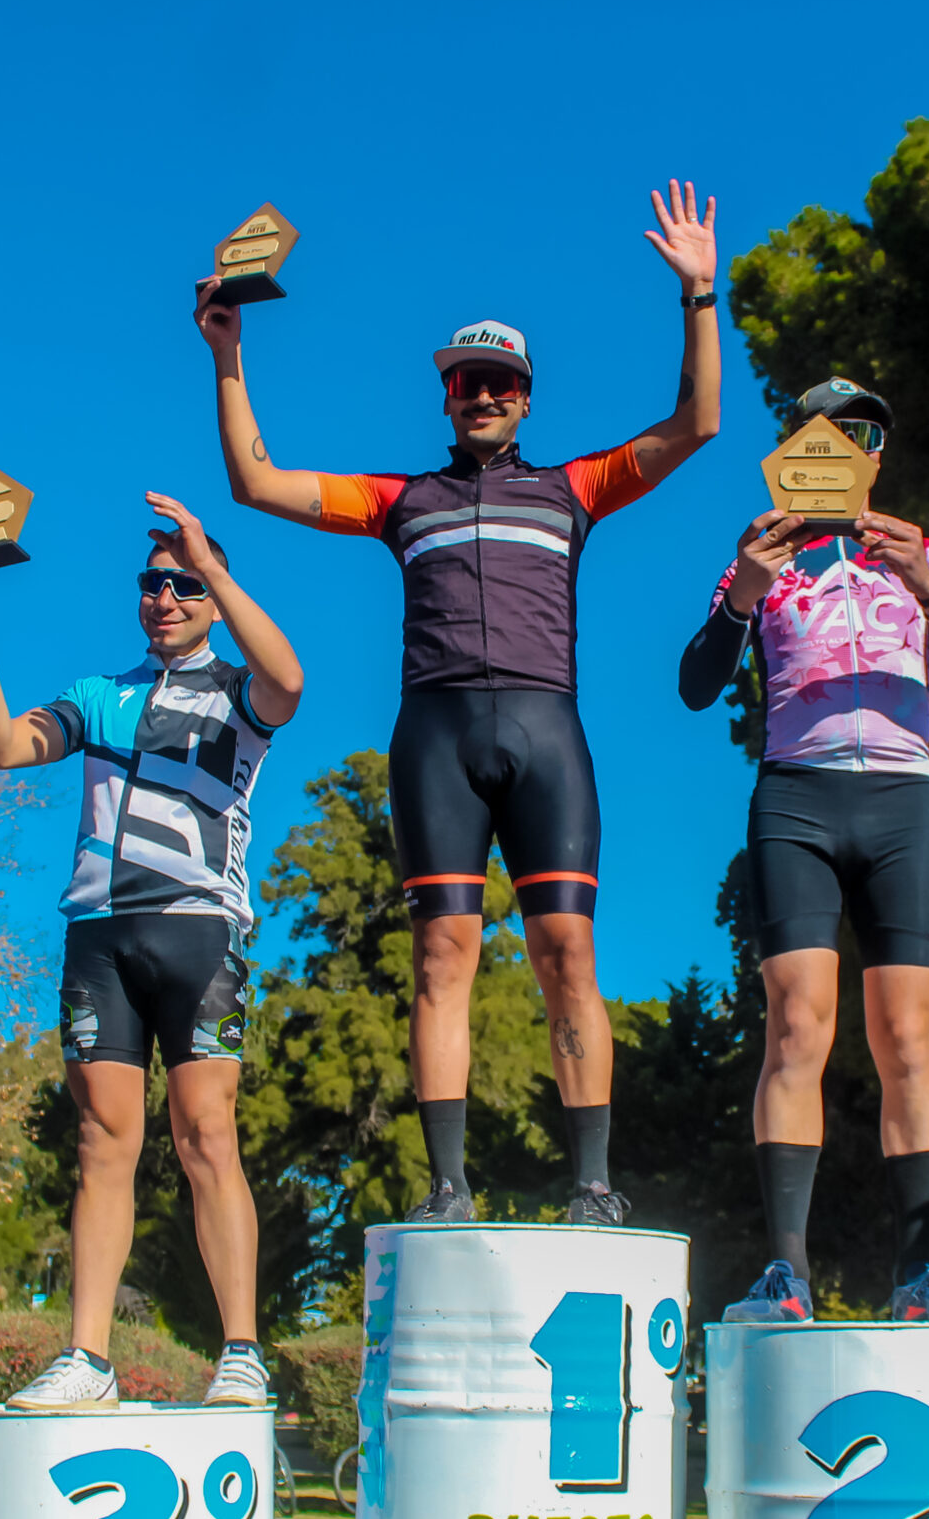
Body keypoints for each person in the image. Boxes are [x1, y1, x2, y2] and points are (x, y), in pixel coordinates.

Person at [195, 180, 722, 1223]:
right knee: (443, 952)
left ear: (526, 399)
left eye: (499, 383)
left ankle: (592, 1184)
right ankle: (448, 1184)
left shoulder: (574, 488)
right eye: (465, 382)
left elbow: (697, 423)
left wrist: (699, 295)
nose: (481, 396)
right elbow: (256, 482)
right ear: (444, 397)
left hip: (546, 731)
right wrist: (227, 351)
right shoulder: (402, 500)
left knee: (567, 950)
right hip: (434, 736)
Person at [0, 495, 301, 1411]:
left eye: (185, 584)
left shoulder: (238, 692)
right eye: (152, 583)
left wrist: (213, 566)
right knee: (103, 1140)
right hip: (98, 934)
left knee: (206, 1133)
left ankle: (241, 1352)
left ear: (212, 597)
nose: (165, 597)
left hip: (198, 927)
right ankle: (87, 1357)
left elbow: (290, 679)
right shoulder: (100, 694)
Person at [678, 378, 929, 1324]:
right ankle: (786, 1273)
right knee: (796, 1026)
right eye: (827, 430)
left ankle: (919, 1277)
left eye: (864, 432)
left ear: (878, 455)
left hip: (903, 799)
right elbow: (697, 683)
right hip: (798, 797)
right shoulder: (766, 555)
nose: (847, 444)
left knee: (907, 1034)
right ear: (797, 449)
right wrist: (742, 591)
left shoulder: (924, 553)